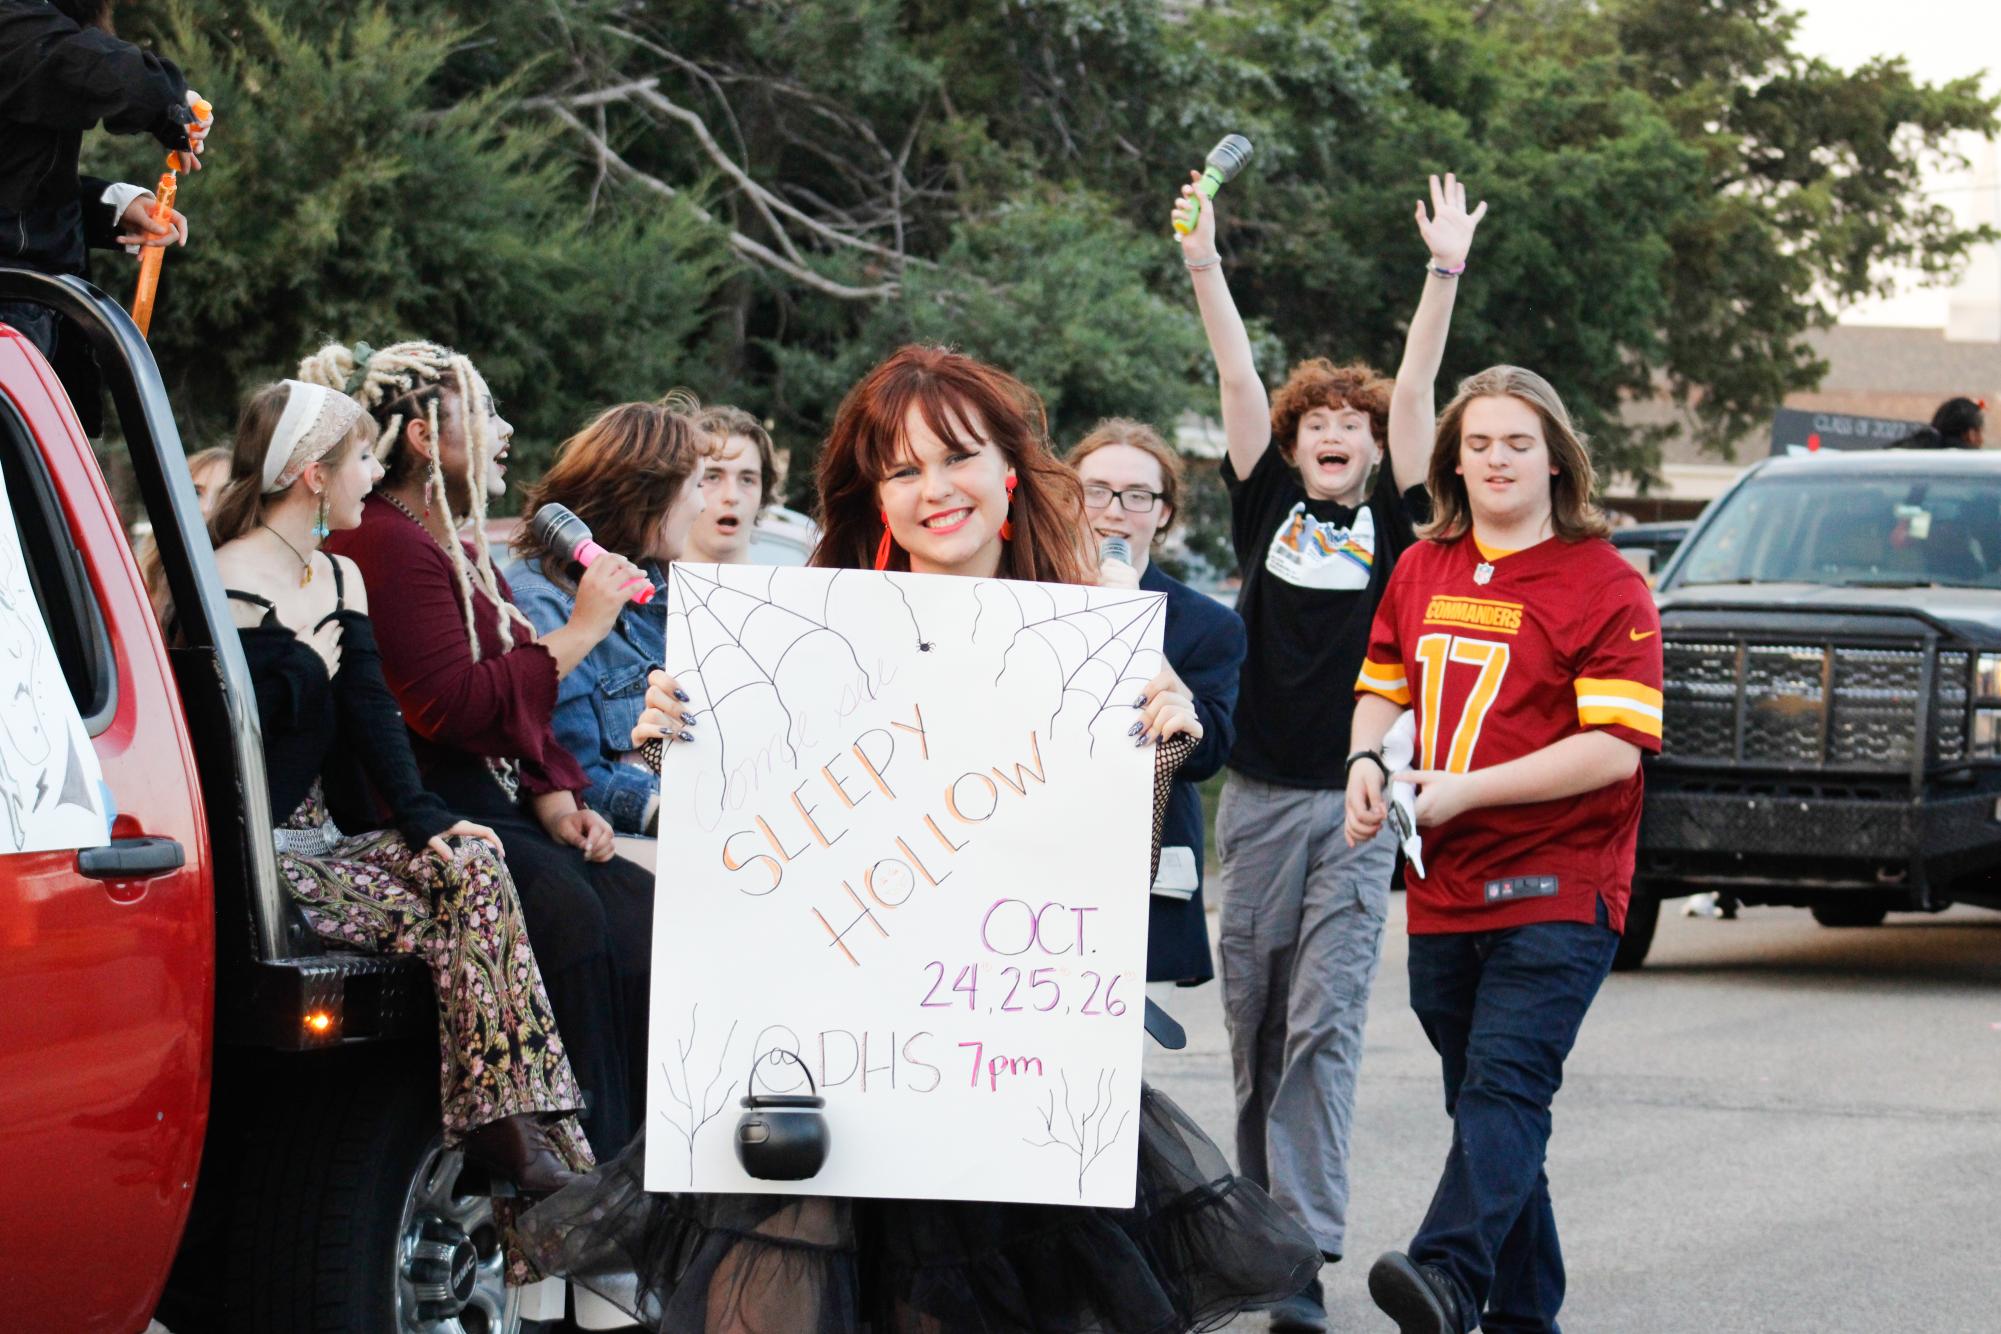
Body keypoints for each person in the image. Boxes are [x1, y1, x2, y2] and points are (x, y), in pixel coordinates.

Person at [518, 345, 1320, 1334]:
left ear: (1010, 469)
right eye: (904, 469)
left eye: (959, 456)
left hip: (999, 1060)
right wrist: (685, 741)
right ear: (878, 495)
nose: (936, 488)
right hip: (826, 1062)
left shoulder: (1092, 638)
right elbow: (753, 858)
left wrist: (1156, 750)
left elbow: (1102, 872)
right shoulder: (804, 636)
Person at [1175, 168, 1485, 1328]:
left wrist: (1441, 271)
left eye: (1350, 427)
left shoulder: (1400, 518)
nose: (1336, 436)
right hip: (1255, 800)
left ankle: (1301, 1253)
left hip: (1361, 798)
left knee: (1325, 1023)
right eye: (1319, 427)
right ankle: (1261, 1239)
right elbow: (1239, 372)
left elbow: (1418, 388)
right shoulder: (1266, 503)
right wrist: (1205, 260)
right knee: (1255, 1027)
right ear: (1296, 447)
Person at [203, 378, 591, 1211]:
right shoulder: (222, 591)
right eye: (360, 460)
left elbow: (377, 716)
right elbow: (220, 757)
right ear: (313, 475)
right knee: (483, 895)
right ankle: (532, 1156)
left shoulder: (340, 578)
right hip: (253, 853)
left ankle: (524, 1146)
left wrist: (426, 821)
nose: (371, 475)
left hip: (330, 845)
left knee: (477, 869)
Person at [1346, 365, 1662, 1334]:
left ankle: (1446, 1275)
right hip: (1446, 887)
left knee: (1503, 1089)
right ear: (1453, 458)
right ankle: (1529, 1318)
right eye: (1478, 442)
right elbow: (1387, 683)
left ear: (1557, 459)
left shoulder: (1606, 580)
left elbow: (1614, 746)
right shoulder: (1422, 566)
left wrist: (1468, 789)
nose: (1496, 459)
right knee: (1492, 1116)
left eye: (1517, 442)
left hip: (1563, 884)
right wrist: (1364, 753)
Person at [301, 339, 657, 1161]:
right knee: (569, 921)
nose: (505, 430)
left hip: (494, 800)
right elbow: (453, 705)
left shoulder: (454, 544)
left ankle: (648, 1173)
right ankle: (582, 1174)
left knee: (637, 914)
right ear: (426, 437)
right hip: (417, 810)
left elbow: (513, 685)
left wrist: (559, 800)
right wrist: (583, 630)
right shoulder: (384, 545)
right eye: (485, 411)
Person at [1067, 418, 1246, 986]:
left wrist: (1131, 624)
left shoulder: (1208, 624)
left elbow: (1208, 752)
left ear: (1164, 511)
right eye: (1096, 490)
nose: (1114, 510)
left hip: (1140, 853)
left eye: (1137, 495)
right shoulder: (1023, 592)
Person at [506, 398, 709, 853]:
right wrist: (681, 816)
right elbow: (575, 771)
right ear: (648, 497)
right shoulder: (543, 601)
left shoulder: (650, 582)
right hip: (620, 846)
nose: (703, 504)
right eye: (695, 485)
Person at [0, 0, 207, 430]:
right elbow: (82, 63)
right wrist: (170, 99)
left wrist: (115, 205)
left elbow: (20, 186)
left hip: (33, 328)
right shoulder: (19, 25)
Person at [686, 404, 781, 564]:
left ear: (763, 493)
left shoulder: (782, 588)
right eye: (713, 477)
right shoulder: (641, 585)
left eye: (747, 480)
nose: (732, 496)